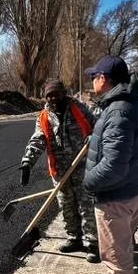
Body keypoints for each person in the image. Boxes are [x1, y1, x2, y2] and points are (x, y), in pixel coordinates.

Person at [82, 55, 138, 274]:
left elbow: (112, 166)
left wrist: (88, 183)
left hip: (116, 197)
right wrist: (97, 138)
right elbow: (126, 144)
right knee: (123, 247)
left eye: (94, 77)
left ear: (104, 79)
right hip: (134, 189)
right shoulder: (134, 102)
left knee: (116, 255)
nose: (92, 81)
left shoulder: (119, 109)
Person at [20, 79, 99, 262]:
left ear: (63, 93)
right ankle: (74, 239)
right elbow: (38, 139)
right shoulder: (44, 116)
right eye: (49, 95)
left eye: (56, 94)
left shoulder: (79, 108)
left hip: (83, 166)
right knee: (66, 205)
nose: (53, 98)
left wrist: (93, 137)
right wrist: (27, 162)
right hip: (60, 169)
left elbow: (98, 126)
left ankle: (93, 244)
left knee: (87, 205)